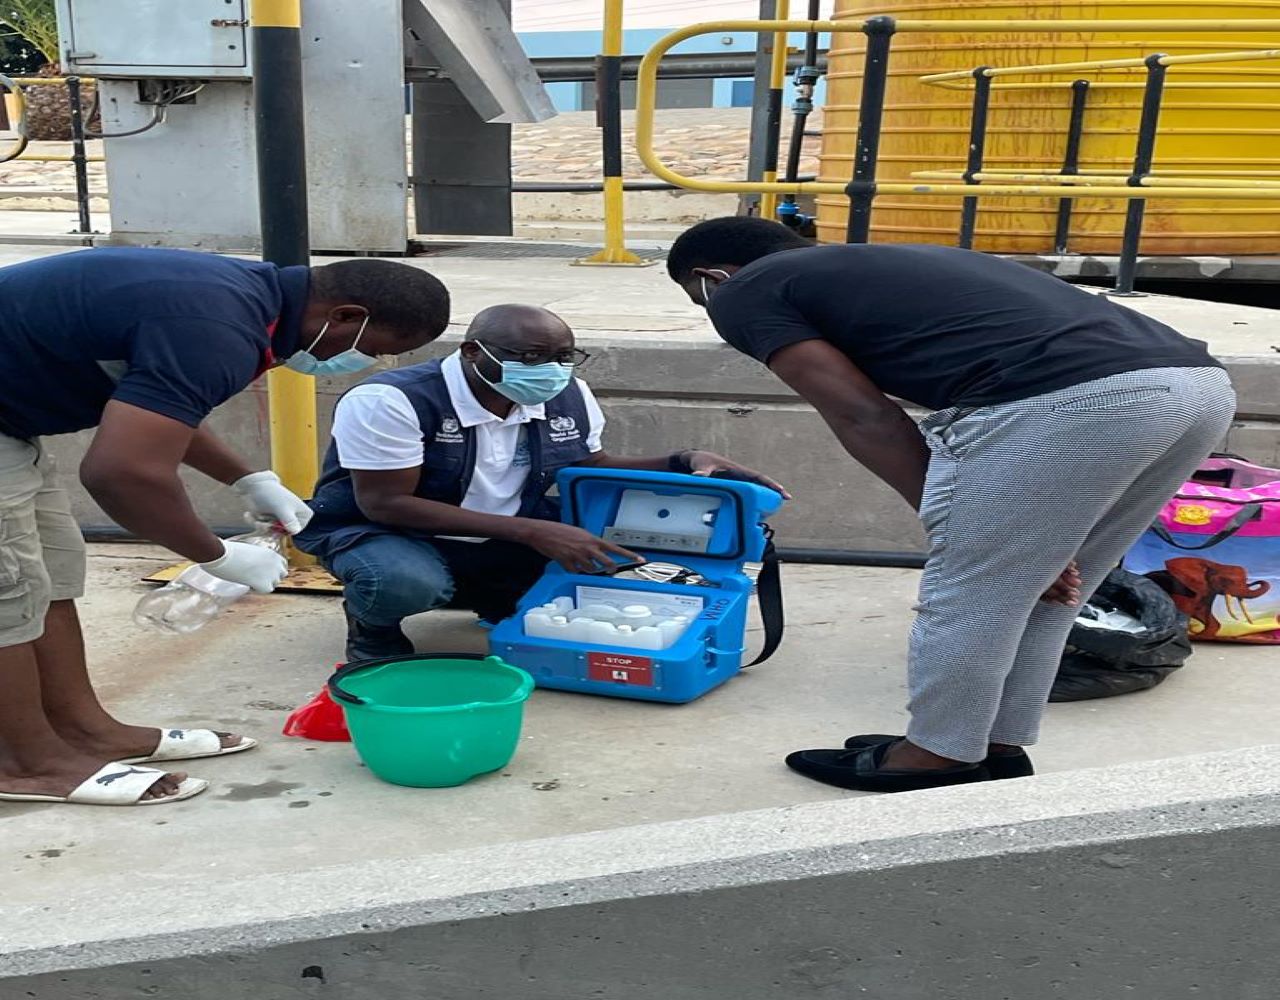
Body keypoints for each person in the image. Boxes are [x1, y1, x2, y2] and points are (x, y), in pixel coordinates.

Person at [667, 216, 1236, 794]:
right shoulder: (870, 264)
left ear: (711, 275)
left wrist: (956, 523)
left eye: (700, 298)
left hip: (1078, 401)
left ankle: (934, 758)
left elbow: (863, 415)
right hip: (1198, 388)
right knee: (1050, 586)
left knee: (971, 590)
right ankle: (992, 742)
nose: (712, 312)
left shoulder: (744, 290)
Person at [0, 247, 450, 806]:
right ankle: (27, 763)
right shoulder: (218, 328)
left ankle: (84, 730)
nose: (366, 362)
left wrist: (248, 478)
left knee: (48, 577)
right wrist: (215, 555)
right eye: (374, 350)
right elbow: (119, 473)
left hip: (12, 425)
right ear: (345, 315)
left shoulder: (245, 304)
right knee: (8, 593)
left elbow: (161, 406)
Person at [296, 303, 785, 662]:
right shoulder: (391, 399)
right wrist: (534, 532)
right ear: (472, 352)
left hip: (502, 535)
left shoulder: (566, 392)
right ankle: (373, 627)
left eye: (564, 355)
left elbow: (593, 462)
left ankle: (494, 598)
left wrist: (684, 460)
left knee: (609, 579)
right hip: (393, 533)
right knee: (401, 582)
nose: (550, 370)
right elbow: (386, 503)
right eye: (530, 356)